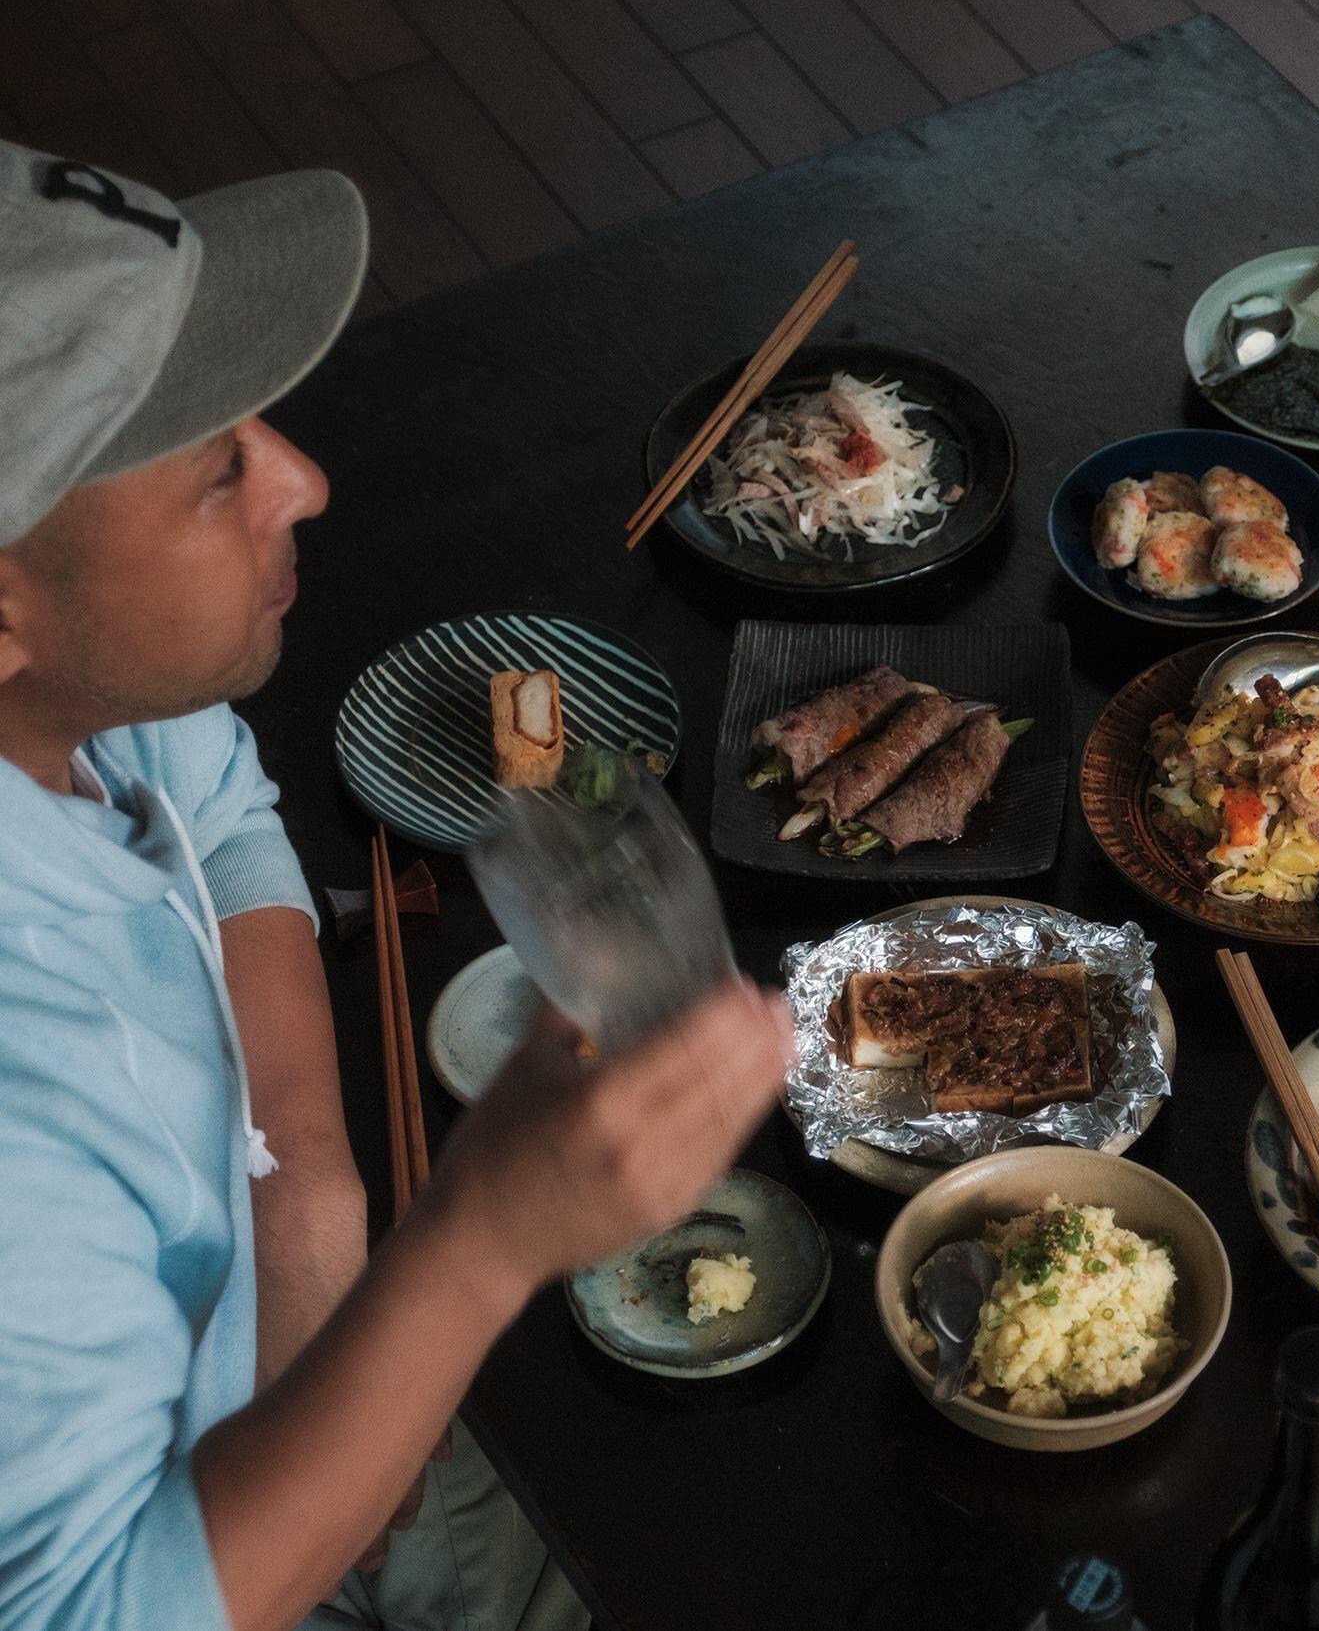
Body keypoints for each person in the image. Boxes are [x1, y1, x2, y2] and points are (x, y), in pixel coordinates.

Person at [0, 139, 797, 1631]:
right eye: (216, 466)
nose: (304, 476)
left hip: (296, 1365)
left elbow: (223, 805)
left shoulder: (77, 694)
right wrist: (475, 1239)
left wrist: (311, 1202)